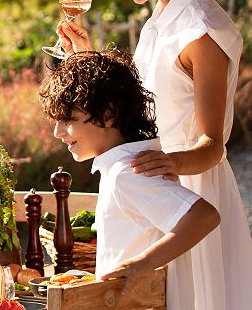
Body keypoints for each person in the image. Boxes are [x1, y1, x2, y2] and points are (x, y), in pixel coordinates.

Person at [58, 0, 252, 310]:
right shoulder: (161, 18)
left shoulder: (200, 30)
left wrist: (171, 164)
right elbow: (143, 103)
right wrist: (85, 57)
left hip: (190, 194)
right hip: (154, 189)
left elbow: (211, 145)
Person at [39, 49, 221, 310]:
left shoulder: (127, 173)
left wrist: (143, 264)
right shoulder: (120, 168)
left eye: (67, 120)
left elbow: (204, 216)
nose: (57, 132)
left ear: (108, 114)